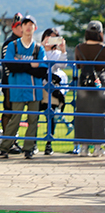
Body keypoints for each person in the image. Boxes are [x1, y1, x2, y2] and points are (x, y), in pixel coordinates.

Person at [0, 15, 47, 159]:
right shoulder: (13, 45)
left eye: (31, 24)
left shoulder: (38, 48)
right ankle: (4, 148)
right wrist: (31, 65)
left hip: (34, 90)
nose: (28, 27)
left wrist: (20, 64)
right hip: (17, 88)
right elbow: (10, 65)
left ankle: (29, 149)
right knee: (15, 119)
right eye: (25, 24)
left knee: (33, 120)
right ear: (21, 27)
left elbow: (42, 70)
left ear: (35, 28)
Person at [73, 20, 105, 157]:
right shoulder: (103, 48)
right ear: (100, 33)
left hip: (83, 84)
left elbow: (78, 65)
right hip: (99, 83)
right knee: (99, 115)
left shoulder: (79, 48)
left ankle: (83, 148)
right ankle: (97, 148)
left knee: (82, 114)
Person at [39, 27, 68, 155]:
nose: (50, 40)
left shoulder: (56, 53)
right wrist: (42, 46)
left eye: (54, 37)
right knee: (33, 115)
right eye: (48, 37)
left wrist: (63, 50)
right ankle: (32, 143)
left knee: (50, 116)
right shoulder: (38, 49)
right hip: (38, 86)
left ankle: (48, 143)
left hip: (50, 88)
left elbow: (62, 65)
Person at [0, 13, 25, 155]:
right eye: (19, 26)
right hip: (10, 82)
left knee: (16, 112)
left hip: (19, 81)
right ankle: (8, 141)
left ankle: (12, 140)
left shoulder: (23, 43)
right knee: (9, 110)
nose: (22, 29)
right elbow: (7, 66)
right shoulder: (9, 43)